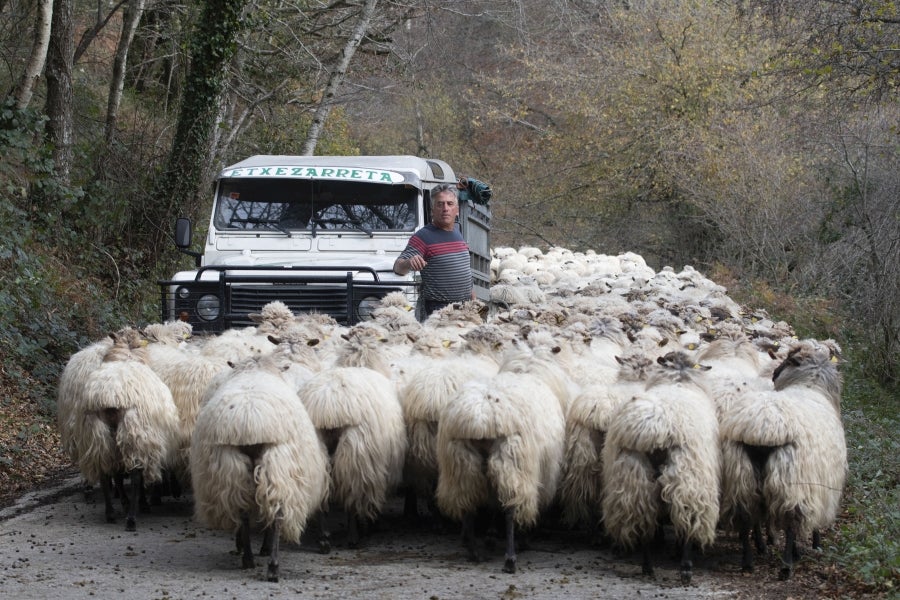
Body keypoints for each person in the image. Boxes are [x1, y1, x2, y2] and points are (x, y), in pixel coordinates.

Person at [393, 183, 474, 317]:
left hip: (465, 307)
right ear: (432, 210)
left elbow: (465, 273)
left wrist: (474, 301)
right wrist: (409, 262)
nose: (445, 208)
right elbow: (397, 267)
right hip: (439, 311)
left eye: (450, 204)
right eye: (440, 204)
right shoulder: (423, 237)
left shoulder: (457, 233)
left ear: (457, 210)